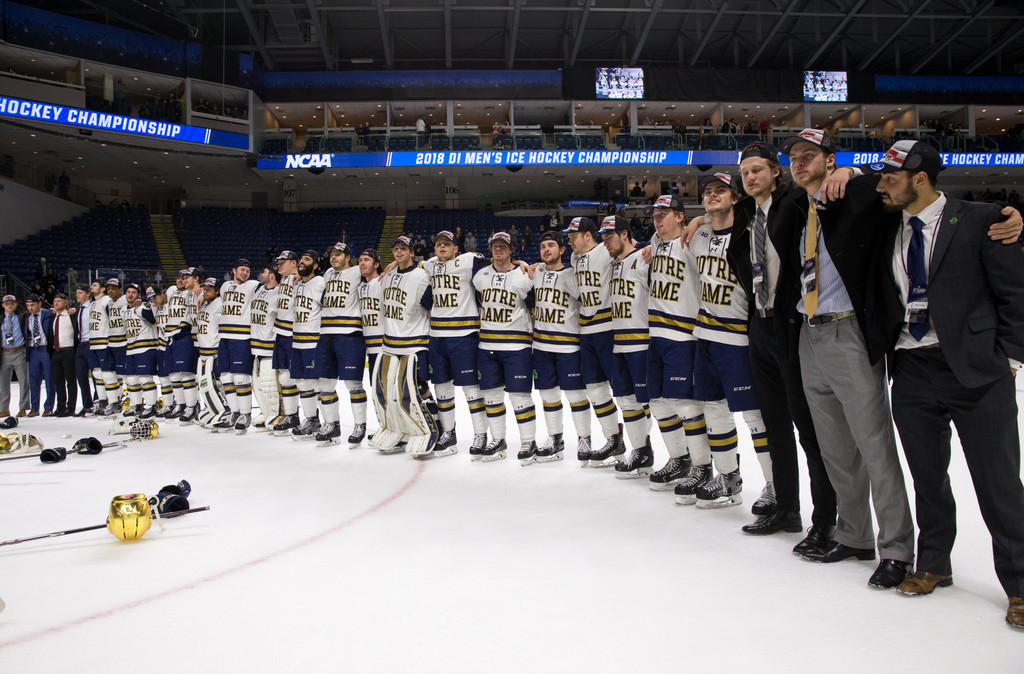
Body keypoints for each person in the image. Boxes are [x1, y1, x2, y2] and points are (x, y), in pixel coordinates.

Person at [868, 140, 1024, 628]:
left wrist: (1010, 358)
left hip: (975, 372)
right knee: (928, 478)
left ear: (921, 178)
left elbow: (1014, 291)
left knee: (998, 484)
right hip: (912, 368)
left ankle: (1020, 585)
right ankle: (934, 563)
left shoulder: (982, 219)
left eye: (891, 178)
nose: (881, 186)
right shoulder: (884, 224)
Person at [780, 128, 916, 588]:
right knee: (836, 448)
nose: (799, 163)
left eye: (809, 155)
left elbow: (896, 186)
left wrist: (854, 172)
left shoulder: (854, 194)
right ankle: (855, 535)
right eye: (794, 157)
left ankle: (896, 547)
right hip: (810, 334)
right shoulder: (804, 210)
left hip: (849, 331)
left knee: (874, 445)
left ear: (830, 159)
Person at [728, 141, 838, 540]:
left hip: (793, 324)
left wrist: (850, 173)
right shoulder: (747, 215)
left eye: (758, 169)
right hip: (760, 322)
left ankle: (826, 518)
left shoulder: (795, 203)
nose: (750, 177)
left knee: (808, 428)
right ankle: (788, 509)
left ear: (777, 172)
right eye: (745, 173)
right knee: (775, 424)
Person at [686, 173, 774, 518]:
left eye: (720, 191)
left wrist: (700, 217)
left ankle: (773, 484)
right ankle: (728, 477)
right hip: (705, 335)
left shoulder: (750, 230)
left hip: (739, 335)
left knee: (755, 415)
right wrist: (699, 219)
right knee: (714, 410)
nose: (712, 196)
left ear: (736, 198)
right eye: (707, 192)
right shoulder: (700, 235)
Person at [644, 195, 712, 495]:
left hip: (684, 334)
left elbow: (727, 220)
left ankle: (702, 465)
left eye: (665, 214)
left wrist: (701, 219)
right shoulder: (656, 243)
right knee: (658, 402)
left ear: (680, 216)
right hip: (656, 335)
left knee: (686, 405)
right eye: (655, 214)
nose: (658, 219)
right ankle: (679, 459)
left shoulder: (694, 240)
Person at [598, 215, 657, 478]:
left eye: (609, 237)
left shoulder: (644, 259)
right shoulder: (612, 264)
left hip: (643, 342)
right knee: (626, 400)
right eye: (602, 238)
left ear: (624, 234)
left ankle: (686, 459)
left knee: (656, 404)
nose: (605, 242)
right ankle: (641, 452)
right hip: (619, 341)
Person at [372, 235, 442, 457]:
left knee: (417, 390)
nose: (399, 252)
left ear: (412, 252)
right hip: (391, 342)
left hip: (415, 342)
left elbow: (430, 306)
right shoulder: (388, 275)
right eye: (396, 249)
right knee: (389, 391)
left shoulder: (422, 276)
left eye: (404, 249)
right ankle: (401, 429)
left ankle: (434, 427)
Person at [424, 230, 491, 456]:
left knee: (472, 388)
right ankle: (448, 432)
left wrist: (520, 262)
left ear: (456, 248)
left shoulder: (469, 260)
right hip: (437, 335)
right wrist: (393, 263)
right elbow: (412, 264)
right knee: (441, 387)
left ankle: (481, 434)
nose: (442, 247)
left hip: (464, 335)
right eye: (438, 244)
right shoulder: (429, 265)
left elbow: (498, 264)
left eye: (447, 244)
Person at [471, 232, 537, 462]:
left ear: (511, 249)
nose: (498, 249)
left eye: (503, 246)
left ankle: (528, 441)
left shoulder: (524, 275)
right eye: (495, 246)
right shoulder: (480, 275)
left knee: (520, 397)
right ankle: (498, 439)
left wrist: (521, 264)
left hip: (517, 344)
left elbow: (534, 305)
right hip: (487, 343)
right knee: (490, 395)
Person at [564, 216, 623, 466]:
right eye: (567, 238)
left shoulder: (606, 251)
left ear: (588, 235)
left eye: (573, 237)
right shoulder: (574, 258)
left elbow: (630, 251)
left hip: (610, 328)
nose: (569, 242)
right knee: (594, 388)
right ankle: (613, 440)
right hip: (586, 330)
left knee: (624, 391)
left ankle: (641, 444)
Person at [530, 231, 591, 463]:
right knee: (548, 395)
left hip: (568, 345)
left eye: (551, 245)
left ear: (562, 250)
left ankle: (585, 439)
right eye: (543, 246)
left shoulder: (572, 274)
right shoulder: (535, 273)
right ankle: (555, 438)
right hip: (542, 345)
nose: (546, 250)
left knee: (576, 395)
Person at [317, 242, 367, 446]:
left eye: (338, 254)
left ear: (348, 257)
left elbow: (376, 269)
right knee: (324, 383)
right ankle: (332, 425)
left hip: (349, 333)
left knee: (353, 384)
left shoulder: (357, 271)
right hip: (326, 332)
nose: (333, 257)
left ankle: (360, 425)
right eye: (332, 254)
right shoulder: (328, 273)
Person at [217, 259, 260, 433]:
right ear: (234, 270)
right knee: (225, 377)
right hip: (224, 336)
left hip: (242, 336)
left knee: (241, 377)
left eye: (247, 271)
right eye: (242, 270)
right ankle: (234, 412)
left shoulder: (252, 285)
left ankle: (245, 413)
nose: (245, 273)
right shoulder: (225, 286)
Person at [289, 250, 326, 440]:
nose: (302, 262)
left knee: (318, 384)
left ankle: (328, 422)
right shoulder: (296, 285)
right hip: (297, 339)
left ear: (316, 265)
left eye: (308, 259)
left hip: (313, 340)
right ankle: (311, 420)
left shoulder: (320, 282)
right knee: (302, 382)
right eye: (302, 259)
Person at [270, 251, 302, 435]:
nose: (279, 265)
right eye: (278, 262)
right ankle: (291, 415)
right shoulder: (283, 281)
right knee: (284, 376)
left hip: (293, 332)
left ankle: (312, 418)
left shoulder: (300, 279)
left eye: (283, 262)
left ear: (293, 263)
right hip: (280, 332)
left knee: (302, 379)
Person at [249, 264, 281, 431]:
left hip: (269, 343)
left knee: (270, 384)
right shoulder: (259, 289)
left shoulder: (279, 292)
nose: (261, 274)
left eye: (264, 272)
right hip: (256, 344)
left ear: (272, 275)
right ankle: (265, 411)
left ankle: (276, 413)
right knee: (258, 384)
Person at [122, 284, 160, 418]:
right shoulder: (123, 310)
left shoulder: (143, 307)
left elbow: (153, 320)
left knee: (145, 379)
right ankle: (136, 404)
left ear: (138, 295)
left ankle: (150, 405)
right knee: (131, 380)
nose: (130, 295)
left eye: (133, 292)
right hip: (131, 349)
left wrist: (142, 305)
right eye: (128, 292)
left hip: (145, 347)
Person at [99, 278, 128, 416]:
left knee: (126, 376)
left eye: (113, 288)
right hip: (111, 343)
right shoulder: (109, 303)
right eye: (108, 288)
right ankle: (113, 402)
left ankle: (128, 401)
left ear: (120, 289)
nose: (110, 290)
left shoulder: (125, 300)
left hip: (123, 343)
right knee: (106, 373)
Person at [23, 294, 55, 417]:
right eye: (28, 306)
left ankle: (49, 407)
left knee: (49, 379)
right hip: (33, 350)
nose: (30, 308)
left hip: (45, 349)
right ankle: (34, 408)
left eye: (32, 305)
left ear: (39, 304)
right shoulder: (27, 317)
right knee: (34, 381)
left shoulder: (48, 313)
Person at [357, 249, 384, 386]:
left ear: (376, 264)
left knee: (387, 389)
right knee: (376, 389)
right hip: (368, 346)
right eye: (360, 260)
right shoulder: (360, 286)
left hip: (383, 345)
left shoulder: (383, 282)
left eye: (366, 260)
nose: (362, 263)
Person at [0, 295, 31, 417]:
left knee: (24, 381)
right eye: (7, 303)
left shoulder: (22, 316)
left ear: (16, 304)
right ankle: (3, 408)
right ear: (3, 305)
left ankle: (23, 407)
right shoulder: (1, 318)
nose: (9, 305)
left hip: (19, 351)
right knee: (3, 383)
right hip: (4, 352)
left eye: (12, 303)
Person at [49, 292, 78, 416]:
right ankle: (60, 407)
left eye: (59, 301)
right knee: (58, 381)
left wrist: (74, 309)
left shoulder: (71, 315)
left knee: (70, 380)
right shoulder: (52, 317)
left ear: (66, 303)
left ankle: (70, 408)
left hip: (68, 351)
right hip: (56, 351)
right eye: (55, 301)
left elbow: (79, 311)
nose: (56, 303)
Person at [86, 280, 111, 415]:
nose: (91, 287)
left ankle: (113, 400)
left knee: (108, 374)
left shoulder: (106, 301)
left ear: (102, 289)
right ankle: (101, 400)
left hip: (104, 341)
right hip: (94, 342)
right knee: (96, 373)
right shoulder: (93, 303)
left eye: (95, 285)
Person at [72, 283, 93, 415]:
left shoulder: (93, 307)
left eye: (80, 293)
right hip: (80, 345)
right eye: (77, 293)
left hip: (92, 344)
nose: (77, 295)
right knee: (81, 376)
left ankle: (98, 403)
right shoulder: (78, 309)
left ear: (87, 294)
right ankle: (87, 405)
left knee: (97, 377)